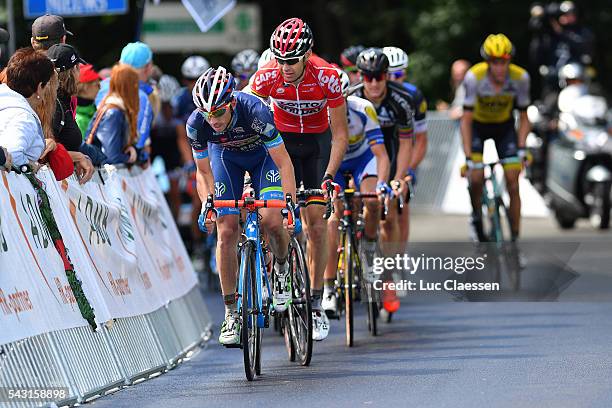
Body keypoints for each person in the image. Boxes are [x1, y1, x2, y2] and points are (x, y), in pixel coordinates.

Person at [250, 17, 349, 341]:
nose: (285, 67)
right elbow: (241, 108)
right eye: (279, 60)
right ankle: (280, 269)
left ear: (307, 55)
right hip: (283, 146)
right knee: (273, 218)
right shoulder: (268, 75)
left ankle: (317, 300)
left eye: (291, 60)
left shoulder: (327, 77)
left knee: (317, 224)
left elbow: (340, 136)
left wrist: (330, 177)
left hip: (317, 148)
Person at [187, 66, 296, 345]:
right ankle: (231, 313)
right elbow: (203, 173)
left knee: (272, 220)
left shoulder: (256, 111)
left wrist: (289, 204)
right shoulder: (197, 124)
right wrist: (206, 204)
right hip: (226, 159)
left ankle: (282, 269)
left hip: (263, 158)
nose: (213, 120)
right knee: (226, 231)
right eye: (207, 114)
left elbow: (283, 161)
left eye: (219, 112)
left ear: (232, 102)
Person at [353, 47, 416, 316]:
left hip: (388, 157)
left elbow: (405, 144)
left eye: (380, 77)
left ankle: (388, 276)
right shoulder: (350, 97)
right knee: (355, 207)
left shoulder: (402, 100)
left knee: (388, 214)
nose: (375, 83)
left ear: (387, 76)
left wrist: (400, 178)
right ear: (360, 77)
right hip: (359, 156)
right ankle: (354, 258)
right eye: (368, 77)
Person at [322, 70, 390, 317]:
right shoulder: (317, 113)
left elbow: (381, 154)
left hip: (363, 159)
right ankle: (329, 287)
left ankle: (370, 247)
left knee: (371, 201)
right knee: (332, 219)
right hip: (334, 164)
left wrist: (382, 184)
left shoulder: (363, 108)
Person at [461, 34, 531, 243]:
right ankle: (476, 216)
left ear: (509, 61)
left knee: (513, 180)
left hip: (504, 127)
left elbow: (525, 117)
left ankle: (516, 239)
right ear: (487, 61)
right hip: (477, 127)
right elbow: (465, 120)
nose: (499, 67)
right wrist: (468, 157)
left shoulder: (520, 78)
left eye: (504, 62)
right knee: (476, 177)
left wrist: (521, 148)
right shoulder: (474, 77)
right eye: (494, 62)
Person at [383, 46, 428, 245]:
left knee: (401, 203)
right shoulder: (373, 92)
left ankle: (397, 260)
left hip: (402, 151)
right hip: (379, 149)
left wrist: (409, 169)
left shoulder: (413, 96)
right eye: (389, 74)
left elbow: (420, 140)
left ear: (405, 74)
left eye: (398, 74)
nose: (393, 79)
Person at [95, 42, 156, 157]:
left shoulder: (100, 86)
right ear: (148, 68)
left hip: (94, 160)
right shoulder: (141, 97)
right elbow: (139, 142)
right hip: (122, 163)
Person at [0, 48, 58, 166]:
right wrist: (31, 166)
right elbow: (12, 155)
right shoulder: (23, 118)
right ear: (39, 86)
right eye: (47, 84)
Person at [47, 43, 94, 184]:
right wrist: (78, 157)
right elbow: (43, 152)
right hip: (53, 187)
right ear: (73, 70)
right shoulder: (55, 104)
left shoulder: (63, 101)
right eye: (78, 68)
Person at [151, 74, 191, 219]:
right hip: (155, 141)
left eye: (169, 104)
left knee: (175, 189)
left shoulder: (178, 105)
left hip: (172, 144)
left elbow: (182, 137)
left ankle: (175, 222)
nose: (167, 108)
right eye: (164, 104)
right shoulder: (152, 105)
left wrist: (188, 162)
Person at [86, 64, 140, 165]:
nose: (137, 91)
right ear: (128, 87)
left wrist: (130, 149)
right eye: (135, 85)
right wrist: (131, 157)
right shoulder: (113, 113)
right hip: (100, 175)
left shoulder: (114, 108)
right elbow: (111, 156)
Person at [75, 64, 100, 136]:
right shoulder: (79, 121)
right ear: (85, 87)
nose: (100, 88)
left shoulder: (93, 111)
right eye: (97, 85)